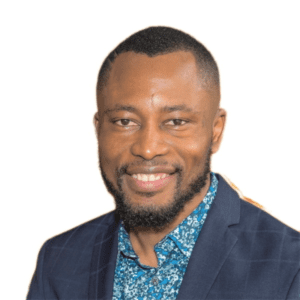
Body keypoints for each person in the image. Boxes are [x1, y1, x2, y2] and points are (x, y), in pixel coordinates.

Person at [27, 26, 300, 300]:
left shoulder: (290, 268)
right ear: (99, 130)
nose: (147, 149)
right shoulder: (58, 260)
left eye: (176, 122)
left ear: (215, 131)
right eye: (125, 121)